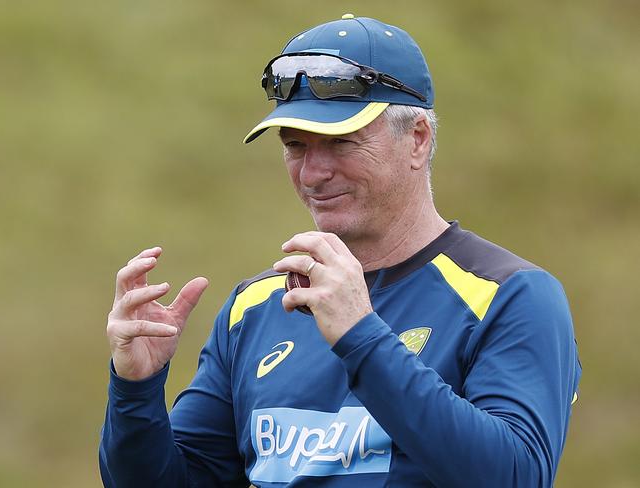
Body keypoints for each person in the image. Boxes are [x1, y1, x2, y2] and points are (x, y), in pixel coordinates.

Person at [99, 14, 581, 487]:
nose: (312, 174)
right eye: (295, 146)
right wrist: (136, 390)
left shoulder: (510, 296)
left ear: (417, 139)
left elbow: (516, 475)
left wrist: (362, 336)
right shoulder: (255, 307)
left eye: (341, 143)